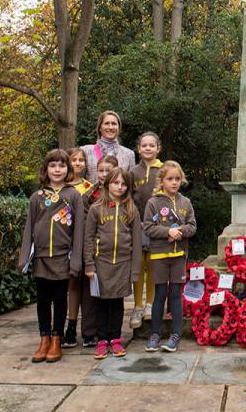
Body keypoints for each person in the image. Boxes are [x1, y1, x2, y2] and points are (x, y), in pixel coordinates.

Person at [17, 149, 85, 363]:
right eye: (53, 165)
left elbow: (79, 231)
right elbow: (29, 228)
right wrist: (24, 257)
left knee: (59, 298)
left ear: (68, 169)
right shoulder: (36, 197)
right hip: (41, 257)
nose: (57, 169)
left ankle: (57, 337)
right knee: (43, 299)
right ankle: (44, 337)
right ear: (46, 169)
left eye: (62, 166)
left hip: (63, 257)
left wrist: (76, 261)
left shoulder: (73, 195)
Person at [84, 168, 142, 359]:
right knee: (100, 303)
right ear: (107, 184)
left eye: (123, 184)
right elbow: (89, 238)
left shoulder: (131, 210)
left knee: (117, 303)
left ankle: (115, 339)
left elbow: (136, 241)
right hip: (101, 263)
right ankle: (102, 340)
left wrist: (135, 271)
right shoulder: (95, 209)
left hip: (123, 264)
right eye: (116, 182)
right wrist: (89, 265)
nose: (119, 187)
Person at [143, 161, 197, 353]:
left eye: (177, 179)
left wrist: (181, 230)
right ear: (161, 180)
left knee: (175, 295)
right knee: (159, 295)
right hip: (159, 255)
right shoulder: (153, 202)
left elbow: (192, 226)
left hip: (178, 256)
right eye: (170, 179)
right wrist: (168, 232)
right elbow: (148, 227)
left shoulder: (185, 202)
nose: (174, 182)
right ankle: (155, 334)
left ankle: (175, 335)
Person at [128, 132, 163, 329]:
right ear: (138, 148)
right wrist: (135, 220)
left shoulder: (164, 169)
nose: (148, 148)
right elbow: (129, 198)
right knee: (138, 263)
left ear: (158, 148)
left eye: (152, 145)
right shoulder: (133, 172)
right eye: (144, 145)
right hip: (138, 225)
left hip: (158, 226)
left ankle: (150, 303)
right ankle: (138, 306)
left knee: (153, 264)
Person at [63, 147, 95, 348]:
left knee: (88, 286)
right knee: (72, 285)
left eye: (81, 160)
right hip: (67, 242)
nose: (78, 163)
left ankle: (89, 329)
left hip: (87, 243)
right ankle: (71, 326)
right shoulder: (61, 187)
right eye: (74, 160)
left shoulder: (90, 187)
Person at [80, 110, 136, 182]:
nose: (110, 127)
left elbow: (130, 183)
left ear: (119, 128)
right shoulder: (86, 151)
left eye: (114, 124)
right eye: (106, 123)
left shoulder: (129, 154)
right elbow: (78, 180)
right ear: (99, 128)